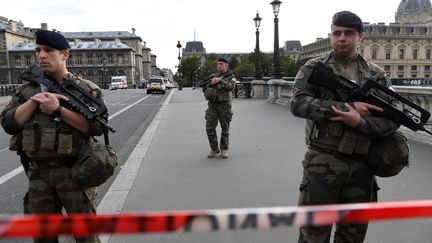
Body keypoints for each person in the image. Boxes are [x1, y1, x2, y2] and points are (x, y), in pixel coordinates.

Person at [290, 11, 400, 242]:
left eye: (348, 33)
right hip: (323, 160)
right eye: (336, 33)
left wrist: (361, 122)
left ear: (361, 36)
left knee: (352, 236)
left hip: (362, 166)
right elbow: (297, 104)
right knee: (313, 235)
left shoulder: (376, 75)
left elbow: (393, 119)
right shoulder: (314, 67)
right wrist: (343, 107)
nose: (341, 38)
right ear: (330, 36)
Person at [0, 30, 106, 243]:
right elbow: (9, 124)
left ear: (65, 54)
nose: (41, 55)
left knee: (86, 237)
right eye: (38, 50)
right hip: (38, 174)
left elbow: (97, 127)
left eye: (48, 50)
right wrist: (33, 101)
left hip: (75, 173)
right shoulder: (26, 90)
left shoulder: (85, 90)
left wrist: (58, 110)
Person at [203, 57, 236, 158]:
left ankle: (224, 149)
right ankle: (214, 148)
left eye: (221, 64)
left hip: (224, 105)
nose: (219, 66)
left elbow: (231, 86)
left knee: (225, 129)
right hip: (212, 105)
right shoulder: (213, 76)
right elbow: (204, 87)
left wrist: (220, 81)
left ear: (226, 65)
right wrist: (211, 83)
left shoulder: (231, 76)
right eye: (218, 64)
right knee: (209, 128)